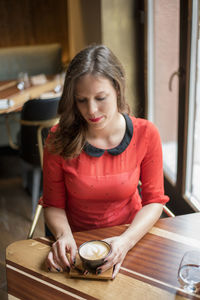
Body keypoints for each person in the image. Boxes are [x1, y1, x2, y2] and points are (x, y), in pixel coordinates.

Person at [40, 44, 169, 279]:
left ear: (118, 89)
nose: (91, 110)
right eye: (81, 100)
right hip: (76, 240)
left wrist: (126, 241)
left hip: (130, 236)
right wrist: (63, 236)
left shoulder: (147, 134)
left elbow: (154, 202)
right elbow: (53, 204)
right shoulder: (58, 139)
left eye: (101, 98)